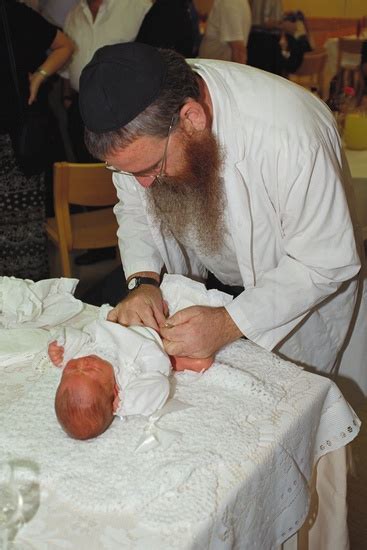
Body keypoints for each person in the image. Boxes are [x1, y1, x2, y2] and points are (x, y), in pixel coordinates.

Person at [78, 42, 367, 401]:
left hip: (295, 293)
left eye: (152, 168)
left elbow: (324, 263)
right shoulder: (142, 127)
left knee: (293, 410)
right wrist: (144, 282)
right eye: (125, 171)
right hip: (215, 278)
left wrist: (230, 322)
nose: (144, 184)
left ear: (192, 118)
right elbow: (137, 210)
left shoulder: (291, 137)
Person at [49, 273, 225, 439]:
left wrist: (62, 346)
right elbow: (159, 386)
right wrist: (128, 402)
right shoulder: (127, 386)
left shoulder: (83, 353)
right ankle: (179, 362)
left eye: (71, 369)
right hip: (157, 341)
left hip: (124, 321)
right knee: (179, 338)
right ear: (115, 391)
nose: (82, 364)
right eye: (90, 370)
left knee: (139, 305)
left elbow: (80, 338)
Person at [62, 0, 152, 265]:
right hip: (81, 105)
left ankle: (134, 249)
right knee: (86, 169)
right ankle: (102, 244)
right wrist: (68, 101)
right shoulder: (75, 14)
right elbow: (70, 65)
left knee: (127, 175)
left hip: (125, 112)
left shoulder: (136, 5)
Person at [0, 0, 74, 280]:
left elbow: (65, 45)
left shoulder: (10, 12)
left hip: (13, 143)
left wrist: (39, 77)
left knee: (23, 241)